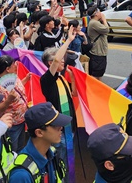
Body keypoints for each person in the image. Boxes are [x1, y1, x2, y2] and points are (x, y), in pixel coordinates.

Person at [40, 36, 78, 181]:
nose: (63, 60)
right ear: (50, 63)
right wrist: (68, 40)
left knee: (69, 160)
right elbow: (57, 60)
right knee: (61, 162)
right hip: (58, 130)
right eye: (60, 59)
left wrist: (72, 79)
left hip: (69, 127)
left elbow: (73, 94)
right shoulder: (46, 80)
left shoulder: (61, 78)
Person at [8, 102, 71, 182]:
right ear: (39, 133)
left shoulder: (52, 153)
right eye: (55, 125)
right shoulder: (21, 176)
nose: (61, 128)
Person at [0, 55, 30, 152]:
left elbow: (17, 89)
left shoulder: (13, 76)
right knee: (12, 149)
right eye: (14, 65)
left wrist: (26, 79)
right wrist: (9, 99)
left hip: (21, 120)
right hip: (12, 125)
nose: (16, 66)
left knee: (21, 146)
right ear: (7, 69)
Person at [86, 6, 108, 80]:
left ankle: (98, 89)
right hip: (97, 52)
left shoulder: (95, 22)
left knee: (99, 73)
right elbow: (106, 29)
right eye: (99, 11)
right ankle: (92, 89)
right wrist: (104, 20)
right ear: (96, 14)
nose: (101, 13)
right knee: (96, 74)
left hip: (100, 51)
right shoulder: (94, 23)